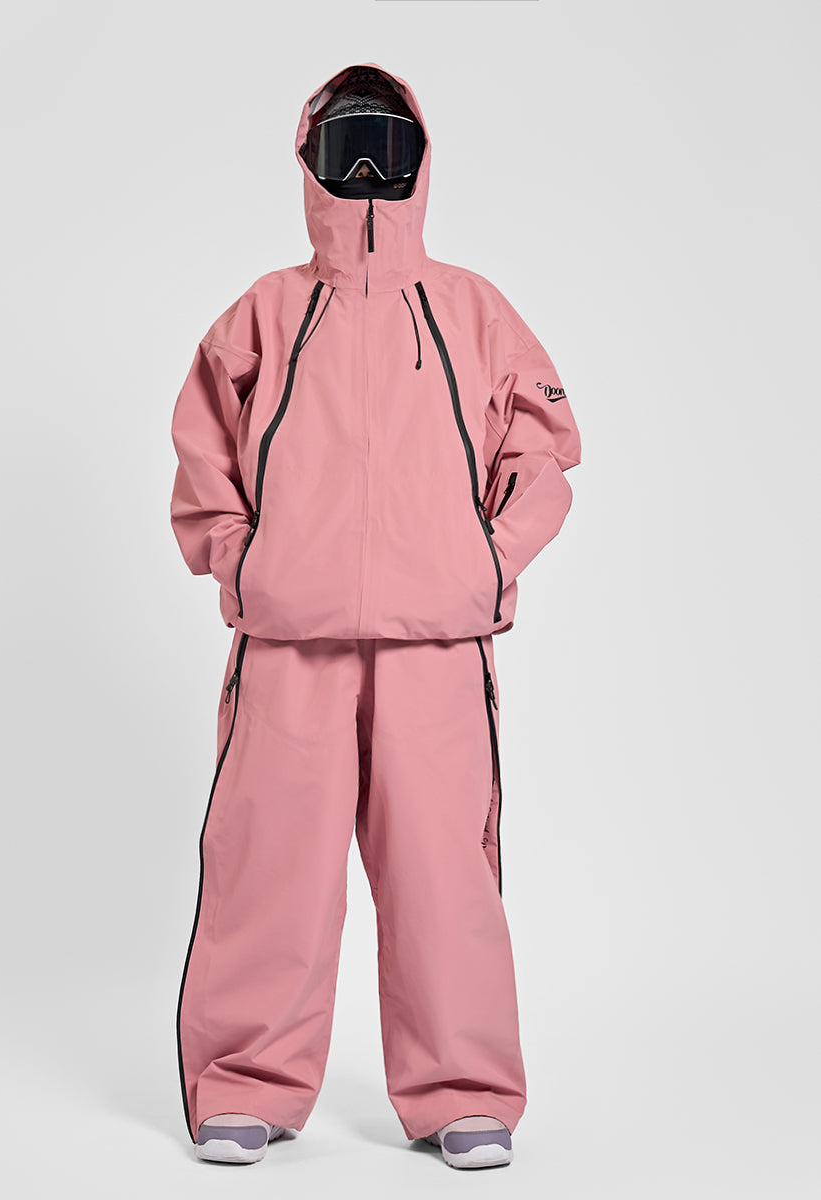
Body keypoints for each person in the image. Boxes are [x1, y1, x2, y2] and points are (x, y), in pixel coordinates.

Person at [169, 61, 582, 1171]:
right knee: (268, 864)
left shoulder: (472, 309)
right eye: (343, 148)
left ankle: (463, 1091)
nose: (364, 169)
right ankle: (245, 1081)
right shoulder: (265, 310)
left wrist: (484, 564)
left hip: (438, 648)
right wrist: (244, 564)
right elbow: (202, 453)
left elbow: (543, 455)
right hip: (287, 643)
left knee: (445, 871)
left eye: (385, 147)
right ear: (309, 165)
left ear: (418, 162)